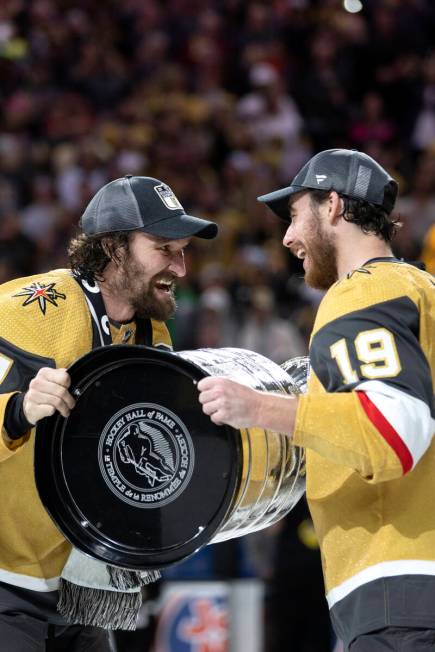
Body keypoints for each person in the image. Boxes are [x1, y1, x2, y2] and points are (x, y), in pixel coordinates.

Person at [198, 149, 435, 651]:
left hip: (400, 591)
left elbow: (394, 434)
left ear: (332, 206)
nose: (287, 237)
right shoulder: (422, 291)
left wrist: (258, 408)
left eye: (294, 215)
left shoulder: (361, 294)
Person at [0, 174, 217, 651]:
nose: (180, 267)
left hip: (84, 590)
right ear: (114, 248)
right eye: (164, 248)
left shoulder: (153, 336)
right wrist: (16, 411)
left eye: (182, 251)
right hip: (6, 585)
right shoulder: (25, 311)